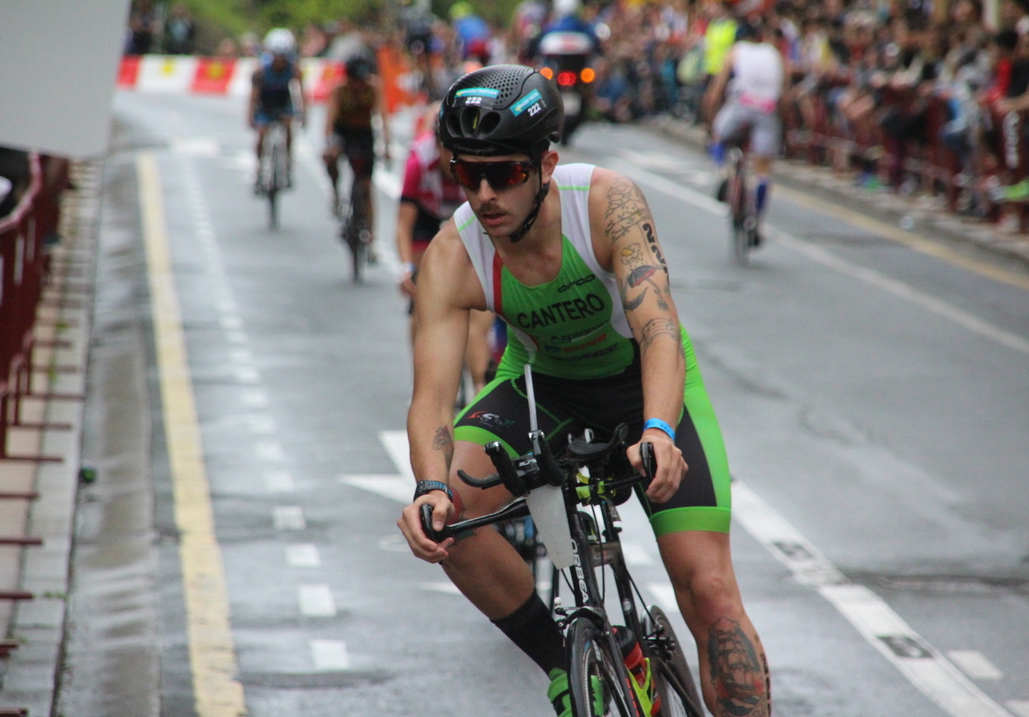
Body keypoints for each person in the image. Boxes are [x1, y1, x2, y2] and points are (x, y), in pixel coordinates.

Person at [397, 64, 771, 717]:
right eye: (466, 173)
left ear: (547, 164)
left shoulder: (605, 203)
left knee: (711, 593)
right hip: (546, 390)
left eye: (505, 173)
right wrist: (429, 487)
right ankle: (566, 669)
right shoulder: (454, 254)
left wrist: (659, 431)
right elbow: (431, 398)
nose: (483, 194)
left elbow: (659, 331)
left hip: (645, 388)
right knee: (450, 512)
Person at [396, 105, 496, 393]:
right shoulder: (418, 162)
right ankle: (423, 381)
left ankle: (480, 390)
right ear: (436, 145)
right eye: (447, 152)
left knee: (479, 311)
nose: (453, 160)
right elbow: (403, 225)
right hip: (428, 216)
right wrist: (407, 268)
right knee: (421, 294)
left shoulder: (478, 166)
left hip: (468, 217)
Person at [705, 19, 790, 245]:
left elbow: (715, 92)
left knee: (719, 136)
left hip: (741, 105)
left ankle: (723, 173)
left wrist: (711, 121)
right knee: (763, 171)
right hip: (768, 109)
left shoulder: (736, 51)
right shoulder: (775, 54)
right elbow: (785, 95)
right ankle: (756, 221)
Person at [323, 52, 391, 252]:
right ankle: (335, 190)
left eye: (362, 80)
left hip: (363, 133)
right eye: (354, 80)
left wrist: (387, 145)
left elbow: (384, 118)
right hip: (343, 131)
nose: (358, 85)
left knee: (367, 185)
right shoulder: (339, 90)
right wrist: (330, 144)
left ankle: (371, 239)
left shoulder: (374, 88)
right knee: (330, 157)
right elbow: (329, 122)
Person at [248, 28, 304, 193]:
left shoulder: (294, 69)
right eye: (277, 56)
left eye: (284, 56)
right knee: (261, 133)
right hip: (265, 103)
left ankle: (287, 164)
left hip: (283, 101)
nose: (280, 60)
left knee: (288, 127)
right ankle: (259, 168)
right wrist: (250, 116)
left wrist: (303, 112)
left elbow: (302, 93)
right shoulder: (260, 71)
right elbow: (253, 97)